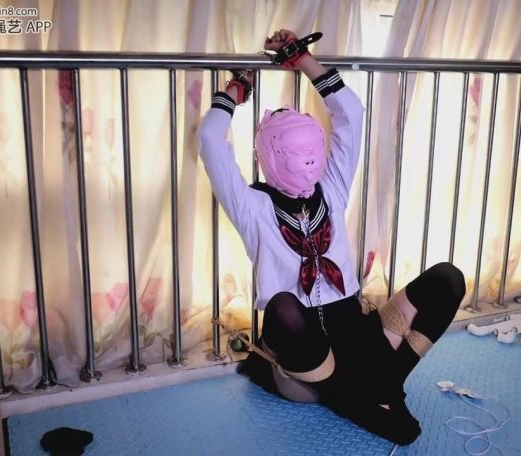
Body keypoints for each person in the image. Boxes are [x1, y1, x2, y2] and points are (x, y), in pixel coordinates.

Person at [197, 29, 466, 445]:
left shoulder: (333, 188)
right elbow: (210, 139)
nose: (306, 163)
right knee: (283, 307)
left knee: (447, 278)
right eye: (293, 154)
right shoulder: (252, 207)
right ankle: (356, 400)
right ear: (267, 155)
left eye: (311, 153)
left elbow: (351, 113)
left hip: (357, 338)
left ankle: (386, 385)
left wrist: (300, 58)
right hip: (302, 364)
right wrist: (237, 87)